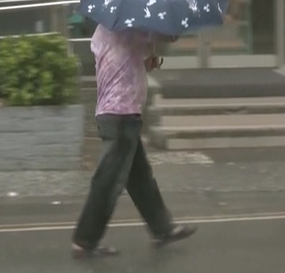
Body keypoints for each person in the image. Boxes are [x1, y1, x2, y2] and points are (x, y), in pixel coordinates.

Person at [71, 25, 196, 259]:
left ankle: (162, 228)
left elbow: (134, 60)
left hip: (114, 111)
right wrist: (165, 38)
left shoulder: (105, 31)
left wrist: (149, 54)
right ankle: (85, 240)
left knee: (139, 178)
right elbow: (164, 40)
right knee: (108, 180)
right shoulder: (131, 29)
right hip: (121, 112)